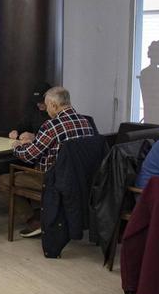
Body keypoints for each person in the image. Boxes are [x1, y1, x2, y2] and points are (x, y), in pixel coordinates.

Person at [6, 86, 97, 237]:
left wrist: (17, 146)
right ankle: (44, 214)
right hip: (80, 179)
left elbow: (29, 156)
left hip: (52, 180)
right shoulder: (86, 122)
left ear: (54, 106)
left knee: (4, 180)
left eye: (47, 105)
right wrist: (36, 139)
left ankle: (35, 221)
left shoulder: (51, 125)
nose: (46, 110)